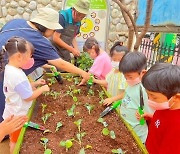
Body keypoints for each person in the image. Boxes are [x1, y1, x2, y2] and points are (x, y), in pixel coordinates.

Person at [0, 8, 89, 129]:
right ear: (46, 27)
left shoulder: (16, 22)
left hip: (6, 68)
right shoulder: (38, 40)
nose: (53, 33)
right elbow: (61, 64)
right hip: (4, 74)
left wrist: (43, 63)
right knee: (6, 108)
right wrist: (83, 73)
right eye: (53, 29)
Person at [1, 37, 50, 153]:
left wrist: (35, 83)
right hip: (18, 116)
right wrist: (42, 89)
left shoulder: (10, 69)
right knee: (15, 141)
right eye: (29, 56)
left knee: (14, 137)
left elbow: (19, 89)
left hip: (12, 111)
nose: (31, 59)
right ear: (19, 56)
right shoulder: (17, 75)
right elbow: (28, 96)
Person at [103, 52, 154, 143]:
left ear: (142, 73)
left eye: (130, 77)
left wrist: (145, 115)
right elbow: (127, 94)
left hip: (137, 133)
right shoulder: (132, 83)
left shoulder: (144, 90)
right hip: (127, 126)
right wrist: (113, 99)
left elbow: (152, 114)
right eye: (125, 77)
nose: (127, 80)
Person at [142, 63, 180, 154]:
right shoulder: (167, 106)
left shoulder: (177, 125)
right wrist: (151, 118)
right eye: (148, 95)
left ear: (176, 97)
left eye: (154, 97)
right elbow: (163, 122)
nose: (149, 100)